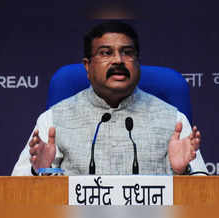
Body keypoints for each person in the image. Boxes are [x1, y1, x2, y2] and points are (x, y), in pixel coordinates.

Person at [12, 21, 207, 176]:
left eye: (127, 53)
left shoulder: (174, 121)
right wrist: (38, 171)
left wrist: (183, 172)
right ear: (88, 66)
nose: (118, 60)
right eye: (106, 53)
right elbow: (18, 188)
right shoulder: (53, 120)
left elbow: (202, 193)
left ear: (137, 63)